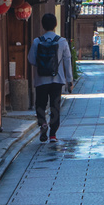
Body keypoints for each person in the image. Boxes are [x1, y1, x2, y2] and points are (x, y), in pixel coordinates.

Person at [28, 13, 73, 143]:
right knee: (55, 106)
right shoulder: (62, 41)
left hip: (41, 80)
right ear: (55, 25)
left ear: (42, 25)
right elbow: (67, 61)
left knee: (40, 104)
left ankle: (42, 124)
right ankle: (53, 134)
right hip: (57, 80)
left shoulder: (37, 41)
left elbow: (31, 59)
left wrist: (42, 65)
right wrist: (69, 80)